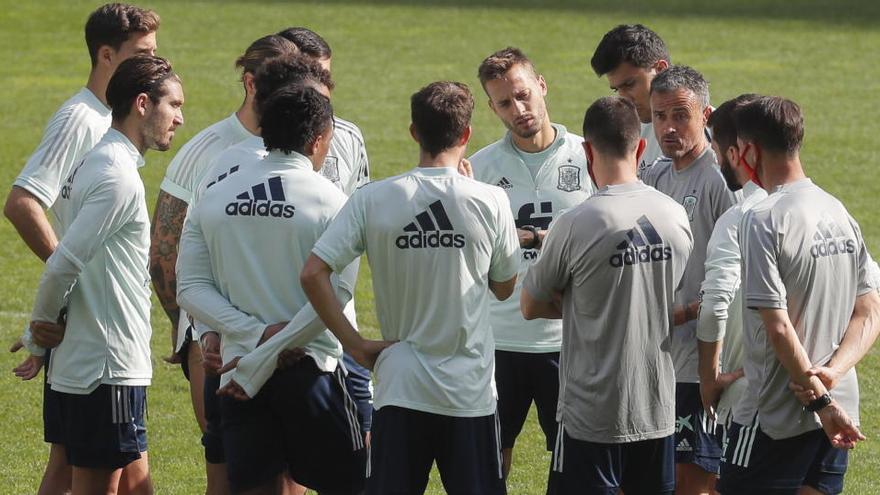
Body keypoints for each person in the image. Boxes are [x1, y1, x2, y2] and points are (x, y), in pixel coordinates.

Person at [299, 81, 519, 495]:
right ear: (467, 134)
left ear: (414, 131)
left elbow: (313, 273)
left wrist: (354, 344)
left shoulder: (373, 198)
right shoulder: (489, 200)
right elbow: (505, 287)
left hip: (400, 387)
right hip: (468, 392)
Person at [177, 84, 366, 495]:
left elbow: (189, 288)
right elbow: (335, 300)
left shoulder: (214, 197)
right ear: (319, 140)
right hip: (312, 374)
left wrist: (254, 339)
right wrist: (274, 342)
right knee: (353, 485)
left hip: (241, 373)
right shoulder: (336, 204)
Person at [6, 4, 159, 493]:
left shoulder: (109, 119)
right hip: (95, 332)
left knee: (107, 467)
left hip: (96, 330)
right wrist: (68, 285)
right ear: (106, 54)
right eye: (143, 53)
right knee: (107, 469)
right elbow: (23, 202)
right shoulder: (81, 119)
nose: (155, 64)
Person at [25, 54, 183, 495]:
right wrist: (39, 333)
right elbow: (63, 263)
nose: (180, 119)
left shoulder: (90, 163)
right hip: (107, 365)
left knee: (131, 481)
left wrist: (47, 328)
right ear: (142, 103)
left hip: (83, 360)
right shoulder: (118, 177)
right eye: (174, 105)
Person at [147, 34, 297, 495]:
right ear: (251, 84)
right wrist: (185, 332)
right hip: (216, 340)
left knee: (291, 474)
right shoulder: (208, 150)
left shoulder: (315, 140)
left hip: (292, 335)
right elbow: (164, 249)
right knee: (227, 472)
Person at [521, 95, 693, 495]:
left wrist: (581, 301)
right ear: (641, 146)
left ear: (586, 150)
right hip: (657, 407)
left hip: (590, 414)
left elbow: (529, 305)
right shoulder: (674, 215)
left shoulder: (575, 223)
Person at [718, 96, 879, 494]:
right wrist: (833, 377)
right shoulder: (837, 209)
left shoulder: (762, 218)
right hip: (838, 409)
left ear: (751, 150)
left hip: (775, 415)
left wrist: (820, 402)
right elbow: (870, 309)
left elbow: (777, 327)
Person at [469, 46, 593, 480]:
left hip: (569, 341)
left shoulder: (588, 157)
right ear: (491, 107)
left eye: (523, 95)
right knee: (489, 463)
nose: (519, 109)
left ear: (541, 86)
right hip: (499, 339)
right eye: (505, 102)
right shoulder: (480, 169)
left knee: (572, 465)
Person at [640, 65, 737, 493]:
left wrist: (685, 313)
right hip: (657, 356)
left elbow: (736, 275)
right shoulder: (657, 175)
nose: (669, 127)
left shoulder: (720, 182)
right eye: (660, 116)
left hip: (700, 364)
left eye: (681, 115)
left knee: (693, 480)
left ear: (706, 117)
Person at [695, 94, 765, 445]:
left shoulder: (739, 219)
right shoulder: (833, 210)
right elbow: (868, 302)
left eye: (718, 151)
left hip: (757, 401)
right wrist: (831, 373)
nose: (716, 160)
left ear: (738, 152)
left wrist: (709, 379)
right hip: (832, 397)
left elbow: (714, 307)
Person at [590, 24, 669, 175]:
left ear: (660, 69)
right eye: (617, 89)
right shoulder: (626, 133)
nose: (624, 99)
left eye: (629, 84)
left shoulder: (711, 133)